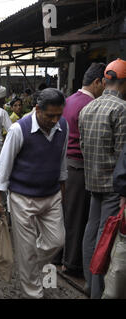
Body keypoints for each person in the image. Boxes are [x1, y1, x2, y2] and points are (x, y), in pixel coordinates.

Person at [0, 88, 69, 299]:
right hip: (22, 198)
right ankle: (32, 293)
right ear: (37, 109)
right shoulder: (19, 129)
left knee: (56, 241)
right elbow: (4, 166)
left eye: (58, 115)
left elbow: (61, 159)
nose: (54, 120)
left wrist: (62, 185)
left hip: (51, 195)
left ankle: (28, 263)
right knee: (26, 250)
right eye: (50, 115)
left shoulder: (63, 126)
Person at [79, 58, 126, 299]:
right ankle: (97, 290)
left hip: (92, 180)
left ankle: (89, 284)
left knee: (92, 229)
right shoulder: (121, 109)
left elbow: (84, 146)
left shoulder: (88, 108)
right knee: (104, 237)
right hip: (111, 185)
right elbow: (122, 155)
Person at [56, 62, 106, 278]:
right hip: (78, 166)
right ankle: (71, 263)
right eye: (104, 84)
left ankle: (57, 256)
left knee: (63, 214)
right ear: (97, 82)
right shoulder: (90, 105)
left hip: (64, 163)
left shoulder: (68, 101)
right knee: (77, 218)